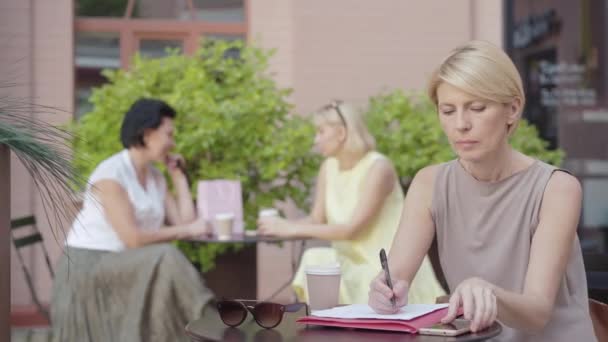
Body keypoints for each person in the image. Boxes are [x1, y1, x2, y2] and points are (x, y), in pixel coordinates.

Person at [367, 41, 596, 341]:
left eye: (477, 108)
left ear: (512, 109)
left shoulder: (556, 189)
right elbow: (394, 280)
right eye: (448, 111)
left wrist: (487, 291)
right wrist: (384, 294)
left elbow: (538, 312)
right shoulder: (429, 184)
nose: (461, 124)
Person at [51, 98, 213, 342]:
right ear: (147, 134)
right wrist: (188, 229)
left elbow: (184, 221)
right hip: (89, 268)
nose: (173, 142)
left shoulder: (155, 176)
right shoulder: (111, 174)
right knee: (165, 256)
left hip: (124, 264)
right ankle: (213, 320)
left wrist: (178, 178)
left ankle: (205, 325)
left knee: (163, 267)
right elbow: (133, 238)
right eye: (168, 134)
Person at [258, 101, 445, 305]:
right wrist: (277, 227)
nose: (315, 140)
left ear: (340, 133)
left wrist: (290, 229)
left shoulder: (378, 167)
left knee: (338, 270)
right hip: (348, 262)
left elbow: (351, 230)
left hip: (383, 267)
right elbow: (316, 219)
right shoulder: (328, 167)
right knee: (315, 259)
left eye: (321, 132)